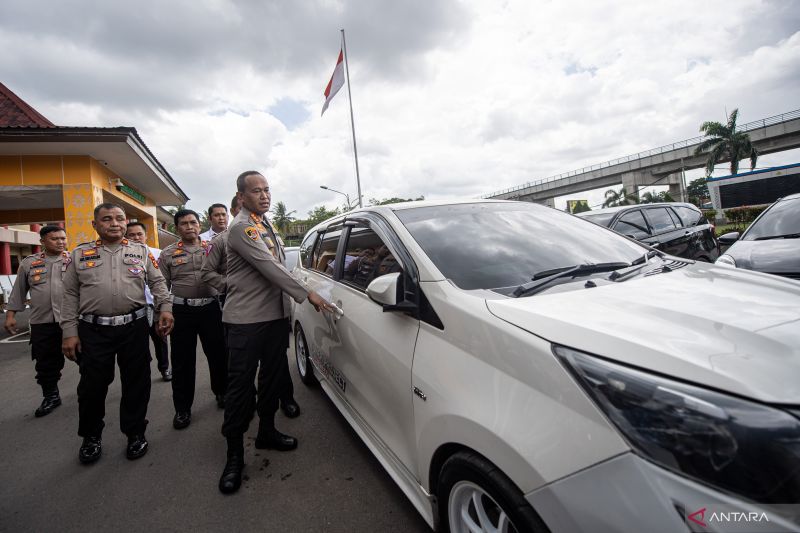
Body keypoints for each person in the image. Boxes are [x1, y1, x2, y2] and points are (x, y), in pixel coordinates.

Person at [218, 171, 334, 495]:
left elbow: (282, 266)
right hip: (245, 322)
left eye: (267, 189)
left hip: (272, 318)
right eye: (256, 191)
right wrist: (307, 293)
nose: (264, 195)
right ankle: (234, 456)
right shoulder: (242, 227)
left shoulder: (266, 224)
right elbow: (270, 267)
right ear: (241, 196)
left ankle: (267, 432)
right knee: (240, 388)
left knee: (271, 379)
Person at [61, 203, 174, 464]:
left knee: (137, 383)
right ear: (95, 224)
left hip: (133, 328)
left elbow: (157, 282)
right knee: (92, 387)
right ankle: (91, 437)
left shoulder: (142, 251)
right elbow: (69, 295)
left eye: (120, 219)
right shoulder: (79, 255)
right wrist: (69, 331)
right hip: (93, 330)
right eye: (107, 219)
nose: (114, 223)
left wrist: (165, 308)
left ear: (126, 223)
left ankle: (135, 433)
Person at [201, 194, 301, 420]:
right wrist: (230, 285)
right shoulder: (222, 240)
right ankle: (243, 420)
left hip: (275, 309)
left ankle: (285, 400)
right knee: (243, 372)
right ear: (240, 208)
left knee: (276, 366)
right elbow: (206, 273)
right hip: (246, 312)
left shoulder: (268, 233)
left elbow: (278, 267)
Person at [160, 209, 227, 430]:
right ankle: (182, 408)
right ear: (176, 228)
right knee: (182, 362)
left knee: (218, 355)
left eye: (193, 222)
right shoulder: (168, 253)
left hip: (211, 309)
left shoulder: (213, 247)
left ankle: (222, 393)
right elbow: (161, 286)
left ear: (200, 225)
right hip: (182, 311)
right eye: (184, 224)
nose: (189, 227)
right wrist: (164, 310)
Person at [4, 225, 69, 417]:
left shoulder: (76, 260)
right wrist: (10, 316)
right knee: (45, 364)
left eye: (63, 238)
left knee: (88, 360)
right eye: (54, 239)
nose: (60, 242)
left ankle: (90, 394)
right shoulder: (29, 263)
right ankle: (51, 396)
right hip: (43, 323)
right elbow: (18, 291)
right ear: (42, 242)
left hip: (73, 321)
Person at [125, 222, 171, 382]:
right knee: (139, 342)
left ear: (145, 236)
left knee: (160, 339)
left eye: (139, 234)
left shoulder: (159, 254)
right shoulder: (123, 255)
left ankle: (164, 368)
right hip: (136, 307)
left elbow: (165, 281)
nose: (136, 238)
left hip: (156, 305)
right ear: (126, 237)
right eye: (132, 235)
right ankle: (143, 370)